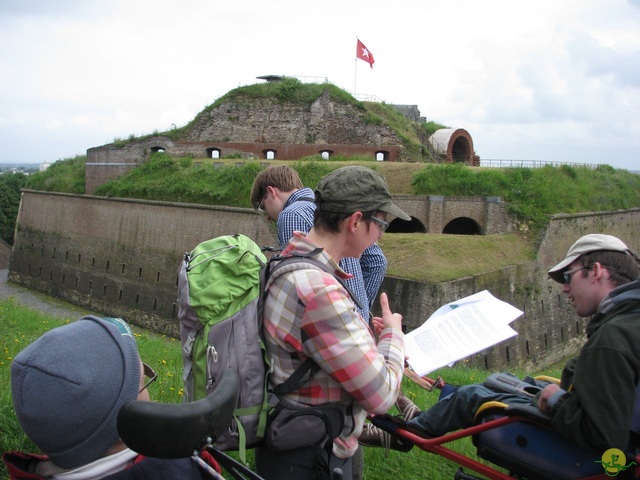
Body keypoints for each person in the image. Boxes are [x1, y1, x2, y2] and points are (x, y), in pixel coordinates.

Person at [381, 233, 640, 454]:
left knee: (474, 397)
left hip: (578, 446)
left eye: (567, 277)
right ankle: (423, 419)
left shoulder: (612, 339)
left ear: (595, 271)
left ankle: (407, 432)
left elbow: (605, 437)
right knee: (500, 380)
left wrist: (557, 400)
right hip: (584, 412)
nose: (563, 288)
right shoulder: (627, 321)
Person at [254, 165, 411, 480]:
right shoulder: (320, 290)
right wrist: (394, 336)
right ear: (355, 222)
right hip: (315, 455)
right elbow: (380, 396)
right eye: (380, 223)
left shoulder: (289, 261)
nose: (381, 234)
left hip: (298, 439)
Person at [3, 316, 222, 480]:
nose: (152, 398)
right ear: (124, 424)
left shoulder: (33, 471)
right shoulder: (179, 471)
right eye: (142, 383)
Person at [250, 164, 388, 322]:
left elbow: (299, 286)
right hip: (353, 319)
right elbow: (377, 262)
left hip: (329, 321)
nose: (267, 216)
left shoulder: (290, 214)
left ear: (271, 191)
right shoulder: (332, 206)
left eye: (263, 207)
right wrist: (361, 311)